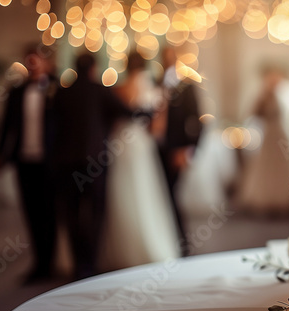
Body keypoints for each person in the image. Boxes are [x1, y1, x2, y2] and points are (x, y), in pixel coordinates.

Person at [52, 53, 133, 279]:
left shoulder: (62, 92)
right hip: (94, 162)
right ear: (93, 68)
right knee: (95, 212)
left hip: (66, 162)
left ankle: (79, 263)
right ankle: (91, 263)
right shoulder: (99, 91)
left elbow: (54, 126)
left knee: (72, 213)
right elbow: (126, 111)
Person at [99, 52, 180, 271]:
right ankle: (148, 244)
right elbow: (157, 129)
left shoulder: (118, 88)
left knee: (119, 193)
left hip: (119, 146)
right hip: (141, 148)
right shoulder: (154, 90)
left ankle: (118, 248)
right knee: (145, 193)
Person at [0, 44, 58, 284]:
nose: (33, 64)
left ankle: (50, 263)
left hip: (49, 161)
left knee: (50, 212)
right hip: (24, 160)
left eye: (36, 60)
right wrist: (0, 154)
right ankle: (38, 262)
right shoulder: (17, 91)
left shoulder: (57, 88)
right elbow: (7, 125)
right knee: (31, 212)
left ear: (44, 62)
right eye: (28, 60)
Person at [238, 62, 289, 216]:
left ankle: (284, 200)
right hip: (269, 135)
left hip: (281, 134)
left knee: (281, 168)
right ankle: (265, 199)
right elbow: (254, 113)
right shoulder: (264, 93)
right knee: (266, 168)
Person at [156, 47, 202, 255]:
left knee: (172, 195)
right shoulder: (153, 84)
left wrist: (189, 149)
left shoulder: (187, 87)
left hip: (176, 150)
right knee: (161, 195)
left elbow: (198, 121)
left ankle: (181, 243)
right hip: (155, 150)